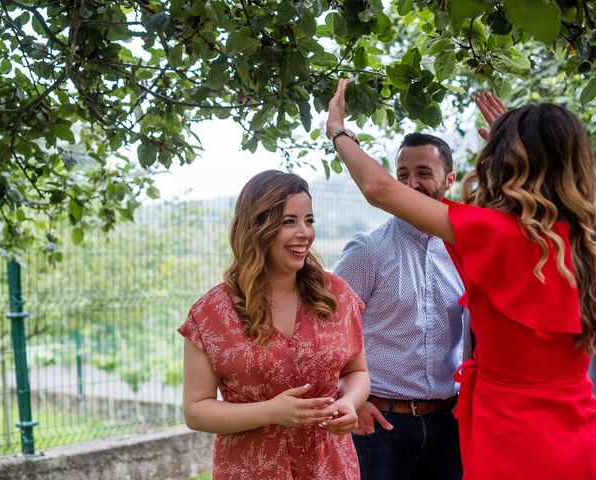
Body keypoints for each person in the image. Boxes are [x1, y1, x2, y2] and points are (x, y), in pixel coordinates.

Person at [325, 79, 596, 479]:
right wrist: (520, 141)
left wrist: (338, 132)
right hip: (576, 429)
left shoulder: (497, 234)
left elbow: (379, 188)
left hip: (509, 430)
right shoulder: (585, 242)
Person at [178, 170, 370, 480]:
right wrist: (271, 412)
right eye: (289, 221)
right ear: (257, 227)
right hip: (251, 469)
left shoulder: (336, 295)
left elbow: (356, 372)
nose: (304, 233)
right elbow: (196, 410)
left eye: (309, 220)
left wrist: (348, 403)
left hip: (331, 467)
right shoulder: (211, 314)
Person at [333, 132, 468, 480]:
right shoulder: (368, 251)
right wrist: (350, 398)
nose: (411, 183)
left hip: (447, 424)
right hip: (380, 426)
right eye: (402, 173)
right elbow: (326, 327)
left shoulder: (464, 252)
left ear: (449, 180)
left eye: (424, 172)